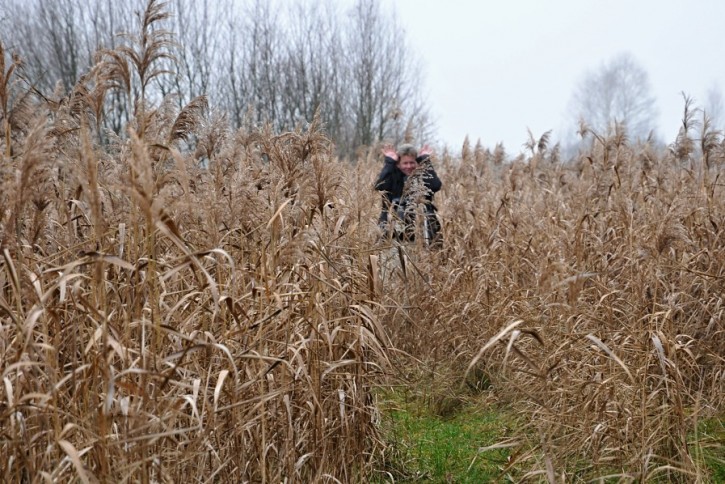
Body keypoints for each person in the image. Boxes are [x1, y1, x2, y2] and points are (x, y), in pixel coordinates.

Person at [375, 143, 442, 246]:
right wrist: (389, 162)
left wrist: (425, 161)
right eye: (405, 163)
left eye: (412, 162)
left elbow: (435, 186)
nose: (409, 166)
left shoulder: (423, 176)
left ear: (417, 163)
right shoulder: (392, 176)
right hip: (393, 231)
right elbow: (380, 186)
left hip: (422, 231)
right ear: (398, 164)